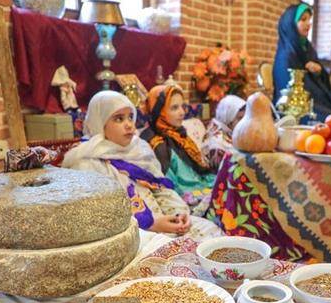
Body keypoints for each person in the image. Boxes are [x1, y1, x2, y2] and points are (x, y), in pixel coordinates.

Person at [62, 90, 222, 240]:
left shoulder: (139, 148)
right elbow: (99, 217)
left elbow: (162, 189)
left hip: (165, 220)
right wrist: (152, 224)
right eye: (119, 118)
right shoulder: (85, 161)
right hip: (132, 234)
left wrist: (179, 215)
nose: (129, 125)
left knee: (214, 233)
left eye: (131, 117)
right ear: (99, 122)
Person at [273, 3, 331, 122]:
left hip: (315, 101)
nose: (309, 23)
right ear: (290, 24)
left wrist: (319, 71)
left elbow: (320, 79)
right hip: (296, 108)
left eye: (309, 19)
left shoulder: (307, 48)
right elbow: (287, 93)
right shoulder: (286, 55)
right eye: (303, 20)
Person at [141, 84, 217, 195]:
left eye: (183, 106)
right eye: (174, 108)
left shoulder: (179, 134)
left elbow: (199, 172)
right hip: (187, 198)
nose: (182, 112)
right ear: (159, 110)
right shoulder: (158, 144)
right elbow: (170, 187)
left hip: (202, 187)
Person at [202, 95, 245, 172]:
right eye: (239, 118)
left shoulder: (233, 133)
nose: (244, 122)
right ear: (228, 119)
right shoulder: (216, 141)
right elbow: (222, 172)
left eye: (245, 118)